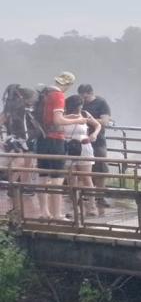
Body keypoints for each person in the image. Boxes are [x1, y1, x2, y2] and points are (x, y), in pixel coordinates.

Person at [36, 72, 87, 221]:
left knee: (43, 177)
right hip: (55, 140)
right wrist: (77, 120)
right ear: (68, 84)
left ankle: (44, 212)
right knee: (57, 177)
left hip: (42, 139)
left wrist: (68, 117)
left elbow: (51, 118)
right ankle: (57, 214)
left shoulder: (45, 93)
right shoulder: (58, 96)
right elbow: (58, 121)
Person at [0, 85, 41, 218]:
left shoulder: (20, 109)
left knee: (27, 165)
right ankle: (13, 188)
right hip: (18, 141)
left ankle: (20, 188)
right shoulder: (16, 110)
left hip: (25, 140)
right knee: (20, 164)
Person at [63, 94, 102, 217]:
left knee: (86, 177)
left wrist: (94, 134)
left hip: (84, 146)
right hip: (69, 147)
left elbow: (97, 125)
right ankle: (74, 207)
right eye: (79, 105)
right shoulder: (63, 115)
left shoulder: (85, 114)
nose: (80, 108)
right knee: (71, 179)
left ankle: (92, 206)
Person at [77, 84, 113, 207]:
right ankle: (86, 195)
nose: (83, 100)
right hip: (81, 140)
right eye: (81, 97)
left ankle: (100, 196)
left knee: (100, 168)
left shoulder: (101, 102)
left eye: (85, 97)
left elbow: (105, 121)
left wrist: (88, 120)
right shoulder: (78, 103)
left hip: (98, 140)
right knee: (83, 169)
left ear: (90, 93)